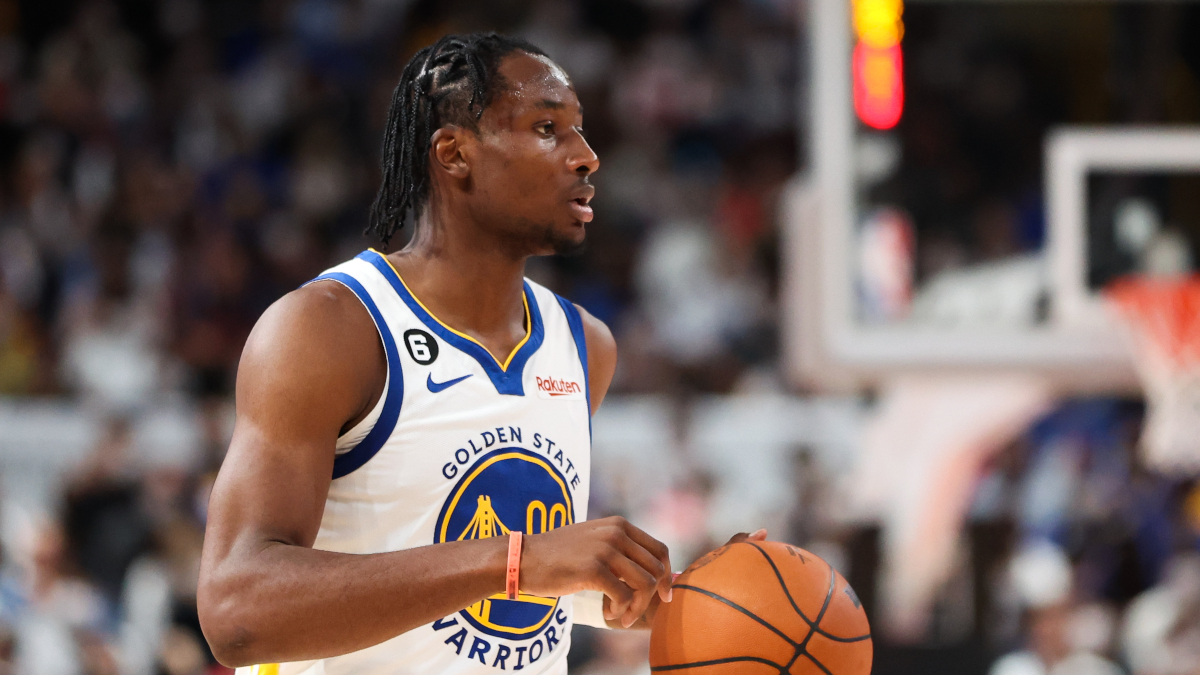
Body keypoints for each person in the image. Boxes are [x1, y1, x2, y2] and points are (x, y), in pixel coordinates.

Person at [196, 33, 763, 675]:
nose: (587, 157)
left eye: (581, 131)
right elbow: (236, 611)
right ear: (455, 153)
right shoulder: (330, 328)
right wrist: (517, 561)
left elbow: (502, 597)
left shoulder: (584, 346)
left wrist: (675, 595)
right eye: (547, 128)